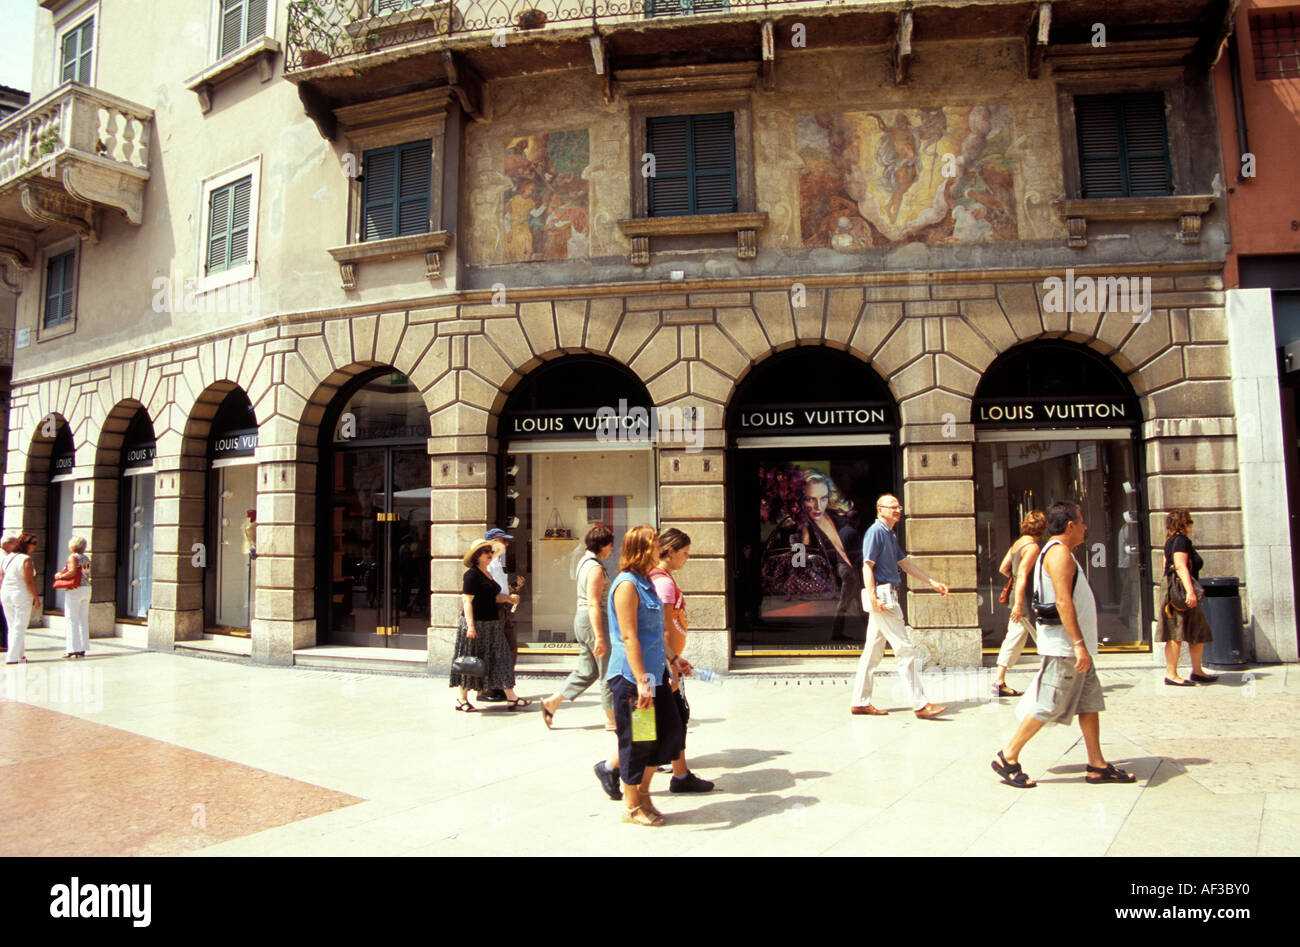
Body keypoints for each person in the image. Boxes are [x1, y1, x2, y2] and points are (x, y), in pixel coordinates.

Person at [990, 501, 1136, 788]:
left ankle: (1097, 764)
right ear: (1070, 525)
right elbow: (1062, 600)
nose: (1084, 528)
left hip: (1073, 649)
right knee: (1048, 703)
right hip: (1066, 648)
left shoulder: (1060, 552)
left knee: (1090, 703)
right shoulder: (1059, 555)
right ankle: (1008, 756)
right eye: (1081, 522)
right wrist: (1079, 644)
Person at [599, 525, 688, 826]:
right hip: (632, 679)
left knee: (670, 733)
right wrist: (640, 682)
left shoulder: (647, 582)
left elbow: (655, 634)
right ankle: (631, 804)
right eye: (654, 545)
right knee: (639, 740)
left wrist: (674, 658)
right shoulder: (626, 585)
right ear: (642, 549)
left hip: (656, 675)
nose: (659, 550)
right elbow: (629, 637)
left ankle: (646, 793)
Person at [849, 495, 949, 718]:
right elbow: (867, 566)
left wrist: (931, 582)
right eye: (893, 507)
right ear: (880, 510)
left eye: (898, 506)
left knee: (872, 653)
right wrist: (873, 595)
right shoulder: (876, 532)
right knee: (905, 649)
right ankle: (920, 704)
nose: (898, 510)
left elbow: (905, 564)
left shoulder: (890, 534)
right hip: (884, 598)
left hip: (885, 596)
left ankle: (860, 701)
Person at [648, 528, 713, 794]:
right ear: (670, 551)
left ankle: (680, 773)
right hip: (664, 665)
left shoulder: (660, 578)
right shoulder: (662, 582)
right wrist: (672, 663)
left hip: (667, 661)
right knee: (665, 721)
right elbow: (663, 627)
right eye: (684, 553)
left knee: (673, 718)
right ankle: (614, 768)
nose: (687, 558)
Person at [540, 525, 616, 730]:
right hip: (594, 621)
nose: (611, 550)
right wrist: (600, 636)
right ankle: (611, 719)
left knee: (587, 670)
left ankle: (552, 702)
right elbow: (593, 602)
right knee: (606, 670)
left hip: (583, 620)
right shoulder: (596, 568)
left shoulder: (584, 561)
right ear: (603, 546)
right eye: (610, 546)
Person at [450, 538, 528, 712]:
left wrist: (509, 597)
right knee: (470, 661)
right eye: (487, 552)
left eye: (490, 552)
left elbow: (495, 596)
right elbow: (467, 601)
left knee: (501, 657)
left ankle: (511, 697)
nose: (490, 555)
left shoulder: (487, 573)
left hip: (491, 623)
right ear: (478, 556)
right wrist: (470, 626)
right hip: (476, 624)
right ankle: (461, 699)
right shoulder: (471, 575)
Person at [1159, 510, 1217, 686]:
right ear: (1182, 524)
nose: (1192, 524)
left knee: (1197, 631)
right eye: (1189, 521)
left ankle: (1197, 671)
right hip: (1180, 592)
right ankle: (1171, 674)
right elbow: (1180, 566)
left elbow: (1165, 567)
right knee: (1176, 631)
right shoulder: (1181, 542)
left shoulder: (1169, 542)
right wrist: (1190, 592)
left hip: (1175, 590)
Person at [992, 511, 1046, 697]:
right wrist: (1019, 603)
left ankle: (999, 681)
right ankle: (1056, 681)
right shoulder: (1032, 547)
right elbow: (1022, 574)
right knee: (1046, 638)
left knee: (1014, 638)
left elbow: (1003, 568)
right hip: (1026, 601)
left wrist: (1014, 585)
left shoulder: (1017, 544)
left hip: (1018, 598)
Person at [480, 527, 525, 702]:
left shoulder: (498, 562)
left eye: (506, 541)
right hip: (494, 611)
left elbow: (499, 589)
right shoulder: (488, 564)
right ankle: (487, 689)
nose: (506, 544)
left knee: (510, 648)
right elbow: (490, 594)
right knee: (493, 650)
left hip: (503, 611)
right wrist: (510, 598)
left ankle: (500, 685)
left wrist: (513, 588)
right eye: (502, 540)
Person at [1, 533, 40, 664]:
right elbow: (29, 581)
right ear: (26, 545)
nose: (35, 546)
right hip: (20, 593)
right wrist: (36, 597)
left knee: (12, 626)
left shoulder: (8, 557)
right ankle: (12, 657)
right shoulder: (26, 559)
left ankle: (19, 655)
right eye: (33, 543)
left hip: (6, 592)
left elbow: (1, 577)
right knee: (19, 626)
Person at [59, 536, 92, 659]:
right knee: (82, 618)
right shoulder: (86, 558)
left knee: (71, 619)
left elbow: (72, 572)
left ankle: (72, 648)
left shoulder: (73, 557)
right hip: (86, 588)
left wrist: (60, 577)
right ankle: (83, 647)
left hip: (75, 589)